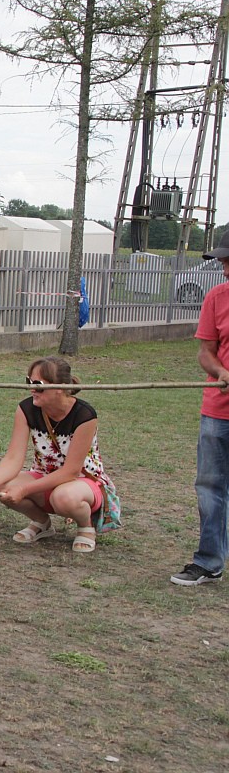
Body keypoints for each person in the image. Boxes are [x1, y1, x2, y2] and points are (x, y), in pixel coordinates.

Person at [0, 356, 121, 553]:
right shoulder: (26, 409)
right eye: (29, 382)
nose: (31, 389)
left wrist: (24, 490)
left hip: (82, 482)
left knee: (64, 496)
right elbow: (13, 458)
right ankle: (42, 523)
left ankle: (86, 527)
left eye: (37, 384)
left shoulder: (85, 415)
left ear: (59, 387)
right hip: (43, 475)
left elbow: (70, 472)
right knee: (2, 487)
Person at [171, 230, 229, 585]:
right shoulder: (216, 297)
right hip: (217, 411)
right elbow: (205, 351)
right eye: (223, 261)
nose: (224, 268)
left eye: (228, 261)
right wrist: (220, 370)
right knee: (210, 486)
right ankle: (209, 560)